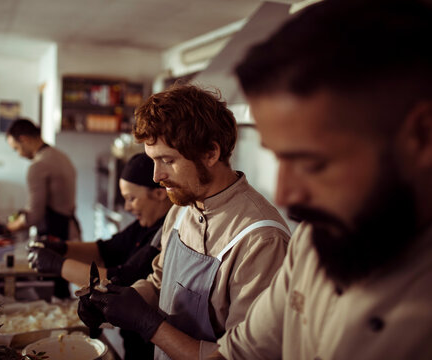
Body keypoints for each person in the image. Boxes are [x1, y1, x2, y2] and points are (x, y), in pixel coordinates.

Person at [209, 0, 432, 359]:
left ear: (422, 136)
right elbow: (242, 352)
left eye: (312, 164)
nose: (284, 194)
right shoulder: (316, 241)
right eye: (279, 157)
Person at [80, 84, 291, 360]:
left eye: (167, 160)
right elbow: (159, 283)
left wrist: (149, 325)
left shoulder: (260, 239)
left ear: (210, 154)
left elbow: (242, 357)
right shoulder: (181, 210)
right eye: (153, 161)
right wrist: (114, 305)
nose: (156, 176)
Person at [28, 152, 173, 360]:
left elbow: (121, 278)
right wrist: (62, 247)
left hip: (150, 348)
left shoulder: (163, 232)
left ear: (159, 193)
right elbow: (105, 249)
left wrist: (57, 264)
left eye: (132, 198)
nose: (127, 207)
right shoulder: (144, 224)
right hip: (132, 341)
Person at [6, 118, 81, 298]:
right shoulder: (61, 156)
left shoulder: (38, 166)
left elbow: (34, 215)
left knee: (52, 293)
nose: (19, 154)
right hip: (71, 229)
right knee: (63, 287)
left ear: (24, 139)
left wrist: (8, 228)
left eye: (16, 148)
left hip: (54, 235)